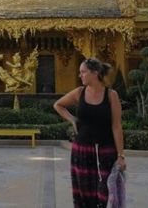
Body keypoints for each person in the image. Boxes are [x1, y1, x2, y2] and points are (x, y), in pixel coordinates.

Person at [54, 58, 126, 208]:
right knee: (84, 194)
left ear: (95, 73)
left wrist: (121, 156)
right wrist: (72, 119)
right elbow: (58, 105)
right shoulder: (79, 92)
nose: (80, 75)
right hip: (81, 151)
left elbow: (117, 126)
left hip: (106, 151)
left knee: (106, 193)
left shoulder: (111, 95)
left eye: (83, 72)